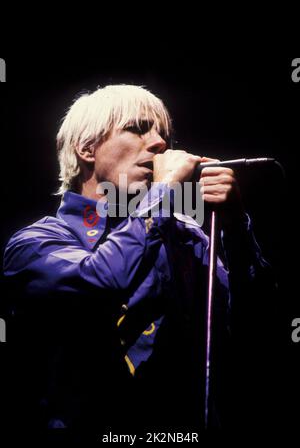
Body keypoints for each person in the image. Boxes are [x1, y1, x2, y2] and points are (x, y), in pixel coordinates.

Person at [3, 84, 274, 438]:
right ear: (86, 148)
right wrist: (162, 195)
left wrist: (236, 227)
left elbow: (257, 328)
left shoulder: (184, 236)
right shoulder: (35, 243)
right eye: (138, 128)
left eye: (164, 134)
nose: (160, 143)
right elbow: (100, 280)